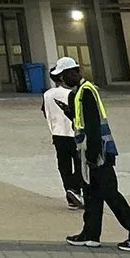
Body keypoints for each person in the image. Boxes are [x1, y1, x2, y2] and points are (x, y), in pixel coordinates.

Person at [64, 68, 130, 251]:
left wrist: (92, 155)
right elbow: (83, 121)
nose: (63, 81)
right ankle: (90, 234)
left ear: (74, 73)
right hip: (92, 151)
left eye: (64, 77)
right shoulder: (80, 92)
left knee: (111, 195)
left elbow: (94, 125)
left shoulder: (86, 91)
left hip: (99, 153)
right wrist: (70, 113)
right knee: (92, 195)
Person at [42, 56, 85, 208]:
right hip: (73, 134)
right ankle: (76, 189)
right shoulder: (73, 94)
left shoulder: (47, 94)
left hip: (57, 134)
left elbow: (45, 112)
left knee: (64, 165)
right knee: (80, 164)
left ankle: (70, 193)